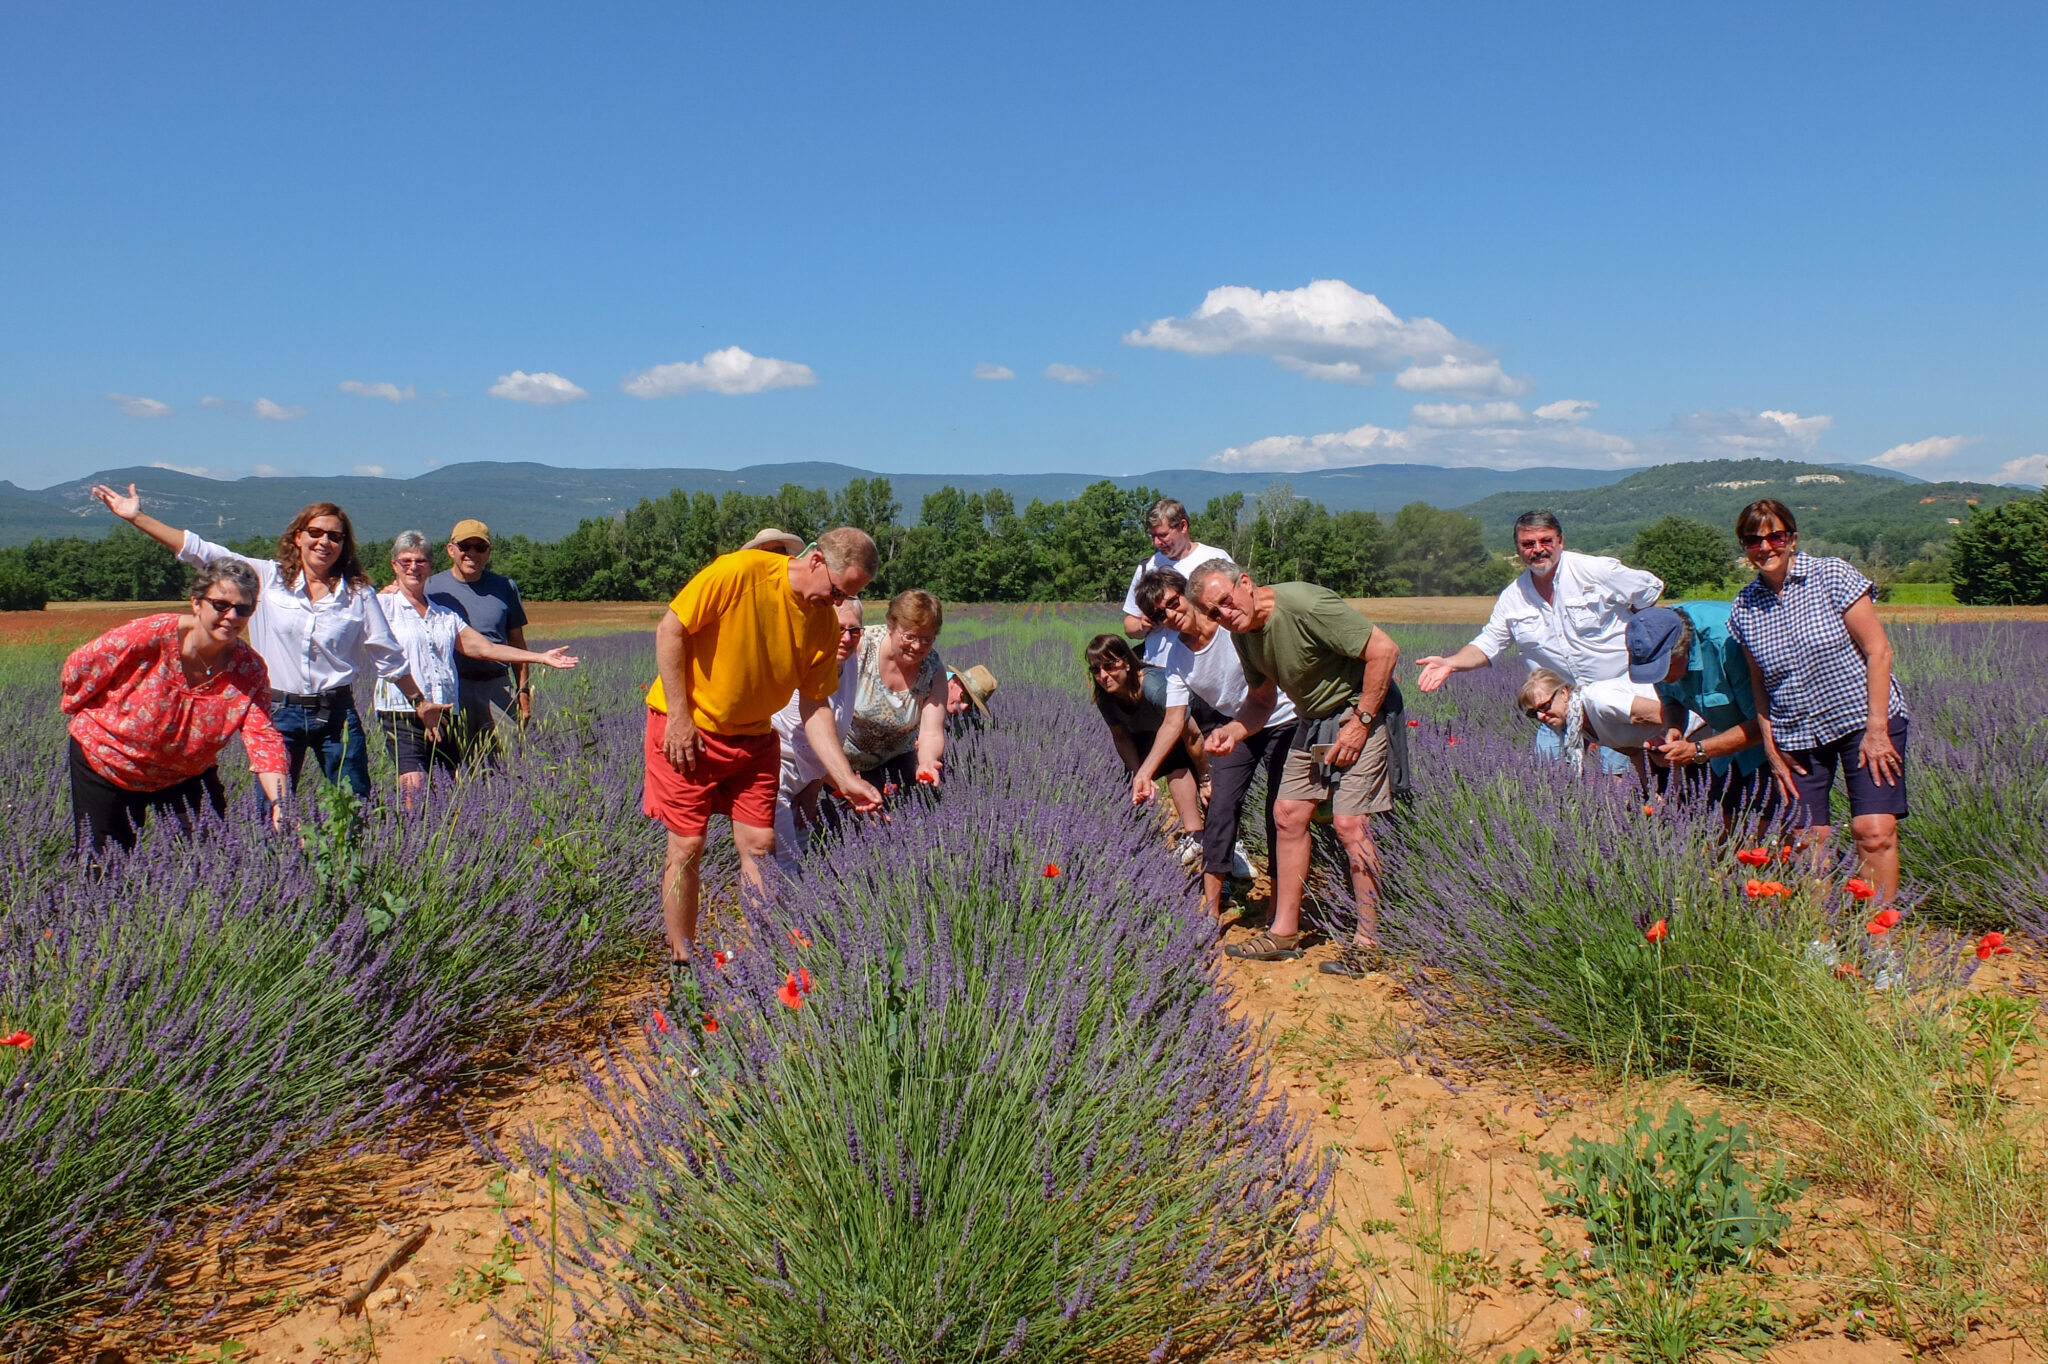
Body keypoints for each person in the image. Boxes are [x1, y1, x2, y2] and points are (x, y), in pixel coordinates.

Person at [91, 483, 445, 798]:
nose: (324, 541)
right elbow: (200, 551)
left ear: (344, 545)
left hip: (336, 715)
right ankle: (276, 870)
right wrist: (137, 518)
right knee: (273, 810)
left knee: (354, 805)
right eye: (316, 532)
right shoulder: (266, 577)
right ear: (298, 537)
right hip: (275, 711)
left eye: (334, 536)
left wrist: (420, 702)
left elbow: (388, 656)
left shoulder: (358, 593)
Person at [646, 529, 884, 969]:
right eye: (836, 591)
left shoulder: (823, 623)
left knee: (761, 843)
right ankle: (684, 961)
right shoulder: (738, 572)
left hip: (754, 736)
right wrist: (679, 718)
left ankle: (765, 956)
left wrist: (846, 779)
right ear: (815, 560)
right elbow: (670, 630)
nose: (835, 603)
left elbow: (816, 707)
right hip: (689, 727)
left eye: (846, 597)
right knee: (687, 846)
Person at [1187, 559, 1400, 975]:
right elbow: (1262, 701)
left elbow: (1385, 651)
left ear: (1245, 583)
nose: (1224, 615)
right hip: (1314, 721)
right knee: (1288, 815)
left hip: (1361, 710)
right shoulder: (1243, 634)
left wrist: (1360, 724)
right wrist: (1233, 731)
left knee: (1349, 823)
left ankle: (1370, 941)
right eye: (1213, 613)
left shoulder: (1304, 605)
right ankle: (1283, 933)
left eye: (1226, 602)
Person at [1728, 499, 1910, 900]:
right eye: (1753, 540)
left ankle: (1880, 946)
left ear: (1792, 538)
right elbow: (1760, 683)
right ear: (1744, 547)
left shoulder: (1831, 575)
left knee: (1873, 832)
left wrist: (1878, 730)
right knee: (1807, 837)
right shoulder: (1744, 606)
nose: (1765, 546)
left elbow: (1878, 651)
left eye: (1775, 536)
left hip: (1862, 719)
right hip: (1796, 731)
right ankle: (1819, 943)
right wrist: (1772, 748)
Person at [61, 558, 289, 851]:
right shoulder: (151, 635)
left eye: (243, 609)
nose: (231, 616)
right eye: (221, 605)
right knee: (103, 865)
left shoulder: (249, 669)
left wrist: (281, 805)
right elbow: (79, 666)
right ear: (197, 603)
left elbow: (264, 740)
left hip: (184, 774)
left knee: (213, 861)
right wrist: (85, 707)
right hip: (108, 762)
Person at [1415, 510, 1662, 776]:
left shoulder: (1594, 571)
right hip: (1555, 705)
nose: (1538, 550)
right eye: (1528, 544)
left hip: (1613, 700)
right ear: (1519, 549)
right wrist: (1450, 663)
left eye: (1546, 541)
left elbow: (1649, 591)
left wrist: (1643, 644)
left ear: (1561, 541)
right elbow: (1489, 642)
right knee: (1547, 779)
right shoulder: (1514, 597)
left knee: (1618, 778)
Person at [377, 531, 583, 809]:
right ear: (394, 565)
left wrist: (540, 657)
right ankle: (409, 843)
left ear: (430, 564)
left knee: (444, 789)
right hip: (402, 711)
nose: (413, 567)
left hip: (446, 711)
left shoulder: (443, 614)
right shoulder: (380, 606)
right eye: (405, 561)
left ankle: (441, 847)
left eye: (421, 561)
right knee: (413, 790)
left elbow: (486, 648)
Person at [1134, 567, 1282, 916]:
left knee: (1281, 813)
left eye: (1172, 602)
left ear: (1185, 594)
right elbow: (1173, 721)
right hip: (1239, 727)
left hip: (1282, 718)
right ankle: (1211, 911)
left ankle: (1279, 907)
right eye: (1159, 614)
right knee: (1219, 808)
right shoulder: (1177, 660)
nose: (1170, 615)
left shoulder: (1229, 628)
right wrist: (1144, 772)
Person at [1625, 603, 1773, 824]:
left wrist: (1697, 750)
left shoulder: (1726, 644)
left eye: (1664, 670)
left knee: (1770, 826)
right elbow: (1672, 701)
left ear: (1684, 648)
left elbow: (1763, 723)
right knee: (1724, 826)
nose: (1660, 679)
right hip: (1726, 746)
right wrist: (1673, 729)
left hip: (1775, 742)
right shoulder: (1651, 643)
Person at [1085, 634, 1210, 866]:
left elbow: (1192, 735)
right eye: (1096, 670)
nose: (1103, 676)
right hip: (1155, 733)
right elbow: (1121, 737)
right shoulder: (1106, 697)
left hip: (1196, 727)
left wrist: (1205, 776)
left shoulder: (1154, 686)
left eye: (1110, 666)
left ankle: (1213, 843)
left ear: (1128, 662)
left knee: (1197, 779)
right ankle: (1179, 839)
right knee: (1141, 777)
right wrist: (1138, 774)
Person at [426, 518, 530, 760]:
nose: (472, 553)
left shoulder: (505, 587)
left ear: (488, 552)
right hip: (452, 689)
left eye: (479, 547)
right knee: (452, 762)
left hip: (497, 686)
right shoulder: (431, 587)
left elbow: (518, 643)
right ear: (451, 549)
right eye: (465, 547)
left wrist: (523, 691)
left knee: (508, 761)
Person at [771, 597, 868, 853]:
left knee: (802, 850)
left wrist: (813, 788)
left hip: (807, 775)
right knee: (783, 860)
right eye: (838, 628)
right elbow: (806, 745)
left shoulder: (847, 659)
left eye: (854, 630)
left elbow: (834, 732)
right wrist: (850, 787)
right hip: (774, 774)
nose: (847, 638)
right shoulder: (804, 663)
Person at [843, 589, 950, 792]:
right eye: (910, 636)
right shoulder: (861, 646)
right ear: (891, 626)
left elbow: (931, 731)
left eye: (927, 639)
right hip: (841, 761)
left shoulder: (933, 670)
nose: (917, 646)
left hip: (896, 762)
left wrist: (927, 762)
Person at [1513, 669, 1668, 788]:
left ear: (1564, 693)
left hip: (1685, 732)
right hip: (1667, 752)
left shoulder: (1600, 701)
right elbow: (1633, 751)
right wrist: (1649, 791)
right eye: (1534, 713)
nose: (1541, 717)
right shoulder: (1580, 727)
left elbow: (1668, 715)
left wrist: (1686, 751)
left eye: (1544, 706)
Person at [1121, 498, 1230, 664]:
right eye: (1153, 536)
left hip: (1208, 666)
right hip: (1158, 668)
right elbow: (1129, 626)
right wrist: (1142, 624)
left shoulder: (1215, 559)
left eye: (1163, 535)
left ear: (1183, 526)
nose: (1157, 542)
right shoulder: (1147, 567)